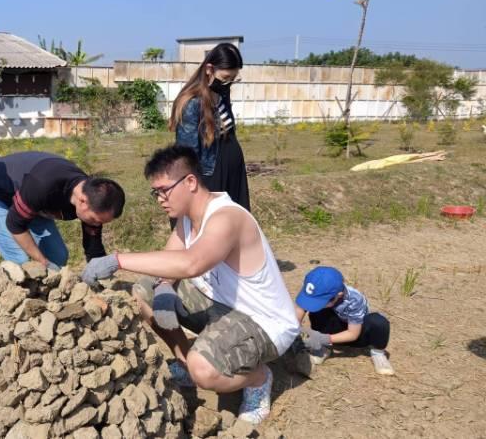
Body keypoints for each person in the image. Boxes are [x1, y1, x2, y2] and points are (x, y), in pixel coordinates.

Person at [80, 145, 299, 424]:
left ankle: (258, 378)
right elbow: (171, 261)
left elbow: (191, 263)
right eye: (155, 192)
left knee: (204, 369)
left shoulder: (226, 218)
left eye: (163, 190)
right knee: (143, 292)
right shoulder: (187, 219)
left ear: (191, 182)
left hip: (262, 321)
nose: (159, 199)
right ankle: (184, 362)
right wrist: (163, 288)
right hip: (220, 304)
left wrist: (116, 260)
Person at [0, 151, 125, 269]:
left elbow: (94, 248)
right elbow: (15, 225)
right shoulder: (43, 185)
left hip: (30, 199)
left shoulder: (92, 197)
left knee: (58, 255)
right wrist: (42, 261)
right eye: (95, 221)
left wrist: (100, 271)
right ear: (83, 201)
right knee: (19, 259)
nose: (96, 225)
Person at [170, 43, 249, 211]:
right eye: (226, 78)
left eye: (233, 79)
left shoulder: (221, 93)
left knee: (233, 224)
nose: (228, 83)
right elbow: (187, 155)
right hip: (211, 176)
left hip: (233, 172)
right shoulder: (191, 103)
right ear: (209, 69)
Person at [294, 266, 395, 375]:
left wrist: (322, 338)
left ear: (338, 295)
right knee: (317, 311)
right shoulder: (314, 288)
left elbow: (353, 334)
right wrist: (294, 329)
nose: (312, 304)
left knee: (378, 322)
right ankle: (324, 349)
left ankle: (378, 353)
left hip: (355, 331)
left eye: (320, 301)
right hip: (334, 327)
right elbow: (301, 308)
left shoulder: (354, 299)